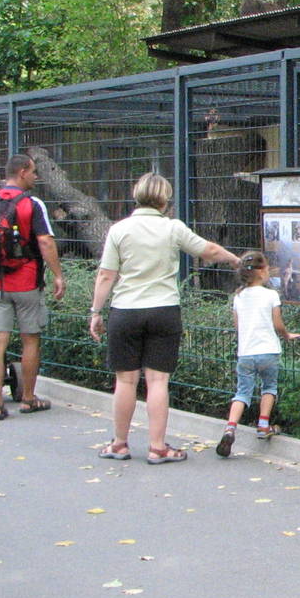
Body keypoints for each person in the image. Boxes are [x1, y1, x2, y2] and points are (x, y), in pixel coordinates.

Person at [87, 172, 239, 464]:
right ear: (165, 199)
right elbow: (208, 250)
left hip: (125, 311)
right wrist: (233, 258)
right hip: (164, 311)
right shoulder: (173, 228)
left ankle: (119, 444)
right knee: (157, 381)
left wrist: (96, 311)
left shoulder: (119, 230)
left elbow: (107, 274)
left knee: (126, 381)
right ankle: (157, 446)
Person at [0, 153, 66, 420]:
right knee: (30, 339)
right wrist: (58, 275)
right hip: (26, 283)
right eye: (33, 171)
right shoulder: (32, 204)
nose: (36, 176)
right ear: (22, 172)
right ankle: (27, 399)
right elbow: (45, 241)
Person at [214, 251, 300, 458]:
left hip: (246, 352)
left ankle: (230, 428)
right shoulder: (271, 295)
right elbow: (277, 323)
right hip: (268, 350)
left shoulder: (239, 296)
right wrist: (287, 335)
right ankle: (263, 425)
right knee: (269, 387)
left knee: (242, 392)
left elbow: (238, 325)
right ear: (261, 272)